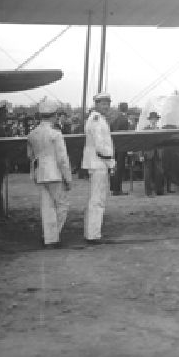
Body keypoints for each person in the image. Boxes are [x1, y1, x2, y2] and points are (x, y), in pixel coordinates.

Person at [27, 98, 72, 248]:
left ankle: (48, 237)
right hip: (55, 173)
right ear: (54, 115)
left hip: (40, 173)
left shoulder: (32, 134)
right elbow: (62, 159)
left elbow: (30, 156)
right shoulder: (56, 134)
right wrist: (68, 178)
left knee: (47, 207)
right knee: (62, 205)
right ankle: (53, 236)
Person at [81, 92, 116, 244]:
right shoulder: (96, 120)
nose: (106, 106)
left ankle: (92, 232)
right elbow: (100, 146)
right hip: (99, 163)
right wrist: (111, 162)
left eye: (108, 103)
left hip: (97, 163)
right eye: (103, 103)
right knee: (97, 200)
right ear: (96, 104)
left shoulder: (98, 119)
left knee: (96, 199)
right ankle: (93, 235)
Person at [141, 111, 165, 197]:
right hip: (148, 154)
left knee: (158, 173)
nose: (154, 121)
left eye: (155, 119)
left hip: (157, 153)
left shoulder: (159, 130)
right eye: (152, 119)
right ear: (150, 120)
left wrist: (161, 152)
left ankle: (158, 190)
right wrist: (141, 155)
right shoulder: (145, 130)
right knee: (148, 174)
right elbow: (141, 143)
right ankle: (148, 192)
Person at [110, 102, 130, 196]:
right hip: (122, 147)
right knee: (120, 168)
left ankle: (114, 188)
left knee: (115, 168)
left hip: (115, 146)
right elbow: (125, 135)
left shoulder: (115, 119)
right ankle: (117, 190)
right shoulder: (125, 120)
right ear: (126, 109)